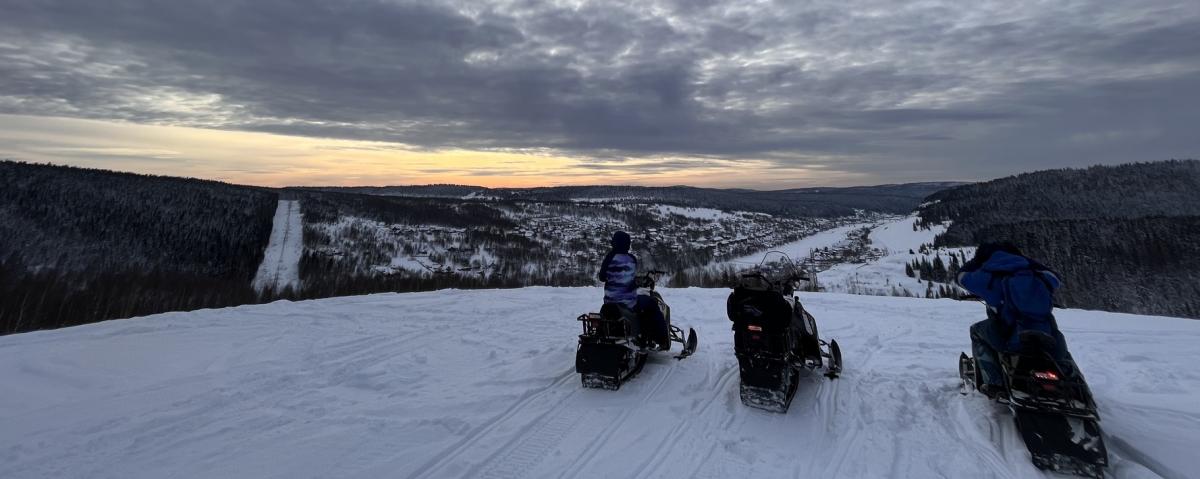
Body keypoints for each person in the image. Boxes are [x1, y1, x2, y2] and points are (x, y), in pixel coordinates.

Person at [956, 242, 1074, 399]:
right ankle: (1070, 378)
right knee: (1057, 338)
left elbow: (960, 277)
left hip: (1013, 339)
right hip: (1047, 339)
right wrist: (1027, 262)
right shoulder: (1037, 274)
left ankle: (994, 382)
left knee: (977, 331)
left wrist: (977, 262)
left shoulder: (989, 277)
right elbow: (1056, 279)